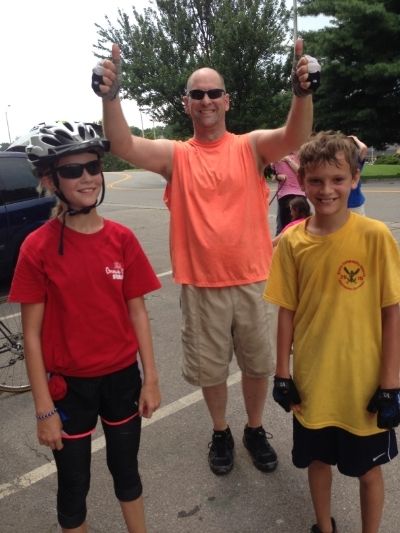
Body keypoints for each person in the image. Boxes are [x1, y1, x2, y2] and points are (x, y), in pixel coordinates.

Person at [91, 39, 320, 476]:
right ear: (186, 104)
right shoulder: (176, 156)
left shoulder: (251, 146)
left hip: (254, 280)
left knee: (257, 366)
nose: (207, 100)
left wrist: (301, 93)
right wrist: (111, 97)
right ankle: (221, 431)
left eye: (214, 92)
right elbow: (121, 143)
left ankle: (254, 428)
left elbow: (295, 136)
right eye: (197, 94)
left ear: (227, 100)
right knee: (211, 371)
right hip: (201, 286)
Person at [9, 121, 161, 533]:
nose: (88, 177)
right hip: (69, 389)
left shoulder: (122, 239)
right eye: (73, 170)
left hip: (122, 380)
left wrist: (150, 379)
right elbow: (32, 336)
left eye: (93, 166)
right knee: (73, 486)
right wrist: (44, 410)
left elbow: (138, 313)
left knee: (126, 471)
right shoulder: (37, 247)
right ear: (50, 180)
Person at [264, 131, 400, 533]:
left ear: (354, 178)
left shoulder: (375, 236)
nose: (327, 190)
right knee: (317, 461)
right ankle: (324, 526)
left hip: (363, 383)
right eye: (317, 180)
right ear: (302, 181)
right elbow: (286, 311)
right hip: (313, 381)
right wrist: (282, 374)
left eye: (338, 179)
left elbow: (392, 312)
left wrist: (391, 383)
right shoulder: (293, 242)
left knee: (368, 471)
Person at [271, 151, 306, 235]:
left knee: (301, 225)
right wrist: (277, 177)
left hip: (300, 194)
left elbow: (302, 173)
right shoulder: (277, 155)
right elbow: (270, 174)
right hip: (284, 195)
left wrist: (288, 160)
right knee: (284, 227)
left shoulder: (301, 154)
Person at [347, 135, 368, 214]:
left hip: (355, 203)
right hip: (342, 204)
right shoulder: (338, 162)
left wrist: (355, 139)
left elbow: (364, 148)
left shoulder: (356, 162)